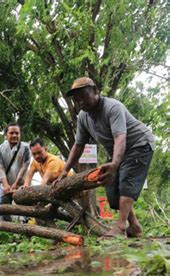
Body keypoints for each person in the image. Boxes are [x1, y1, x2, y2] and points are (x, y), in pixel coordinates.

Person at [55, 77, 155, 237]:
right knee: (110, 186)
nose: (80, 101)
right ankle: (135, 226)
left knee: (126, 181)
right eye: (76, 99)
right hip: (119, 151)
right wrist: (65, 171)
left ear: (95, 91)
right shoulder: (83, 117)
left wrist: (115, 164)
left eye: (83, 95)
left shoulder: (112, 107)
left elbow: (120, 138)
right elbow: (78, 145)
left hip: (139, 144)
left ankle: (121, 226)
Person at [0, 122, 31, 221]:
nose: (14, 135)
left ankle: (27, 233)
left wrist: (16, 183)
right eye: (11, 133)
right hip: (5, 186)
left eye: (17, 133)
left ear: (20, 134)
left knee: (26, 211)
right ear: (6, 134)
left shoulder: (26, 148)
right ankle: (6, 232)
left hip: (22, 185)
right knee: (3, 210)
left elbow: (25, 165)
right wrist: (6, 185)